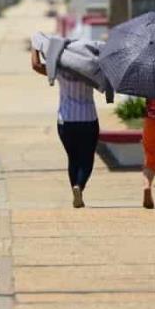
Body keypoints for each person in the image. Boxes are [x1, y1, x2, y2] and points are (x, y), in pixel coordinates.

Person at [32, 48, 99, 208]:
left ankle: (75, 188)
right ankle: (79, 187)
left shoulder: (60, 70)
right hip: (88, 118)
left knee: (73, 158)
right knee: (87, 158)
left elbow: (36, 66)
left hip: (66, 120)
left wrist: (35, 47)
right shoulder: (91, 71)